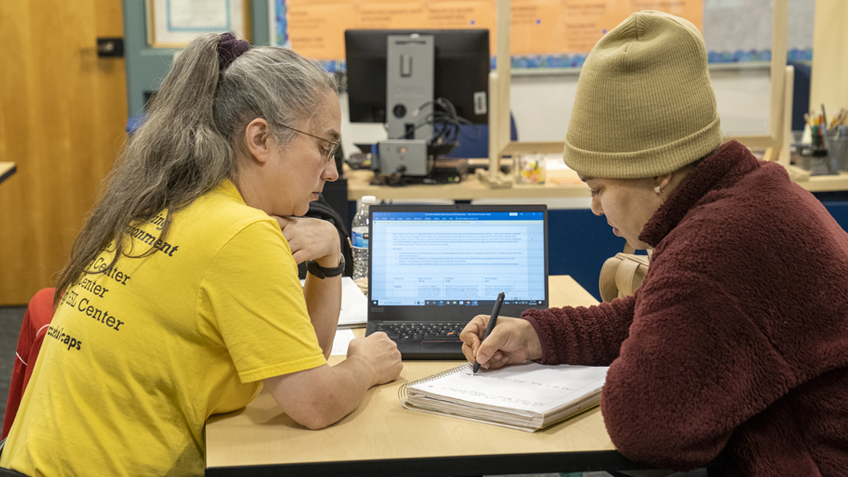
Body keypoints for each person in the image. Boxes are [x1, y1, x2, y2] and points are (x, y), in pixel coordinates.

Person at [461, 11, 848, 477]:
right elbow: (660, 311)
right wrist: (539, 336)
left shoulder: (715, 246)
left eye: (599, 188)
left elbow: (645, 426)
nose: (595, 209)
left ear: (661, 170)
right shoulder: (751, 195)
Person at [0, 33, 402, 476]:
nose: (333, 170)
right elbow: (314, 401)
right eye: (325, 147)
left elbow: (298, 359)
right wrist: (363, 366)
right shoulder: (240, 234)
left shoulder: (170, 204)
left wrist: (330, 261)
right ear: (261, 139)